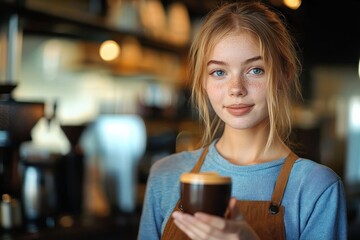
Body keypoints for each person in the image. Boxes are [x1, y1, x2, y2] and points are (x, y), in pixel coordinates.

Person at [138, 1, 347, 239]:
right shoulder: (165, 175)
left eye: (255, 70)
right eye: (219, 72)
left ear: (284, 75)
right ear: (203, 82)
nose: (236, 89)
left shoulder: (317, 187)